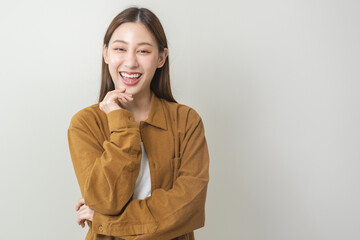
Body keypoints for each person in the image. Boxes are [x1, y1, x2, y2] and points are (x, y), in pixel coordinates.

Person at [67, 7, 210, 240]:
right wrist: (121, 123)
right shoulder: (84, 124)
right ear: (105, 54)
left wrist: (106, 222)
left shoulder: (186, 121)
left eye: (143, 50)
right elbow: (105, 200)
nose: (131, 62)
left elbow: (188, 208)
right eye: (120, 49)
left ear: (161, 57)